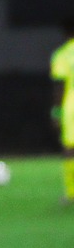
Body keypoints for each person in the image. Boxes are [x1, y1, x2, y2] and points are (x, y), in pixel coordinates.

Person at [52, 18, 74, 205]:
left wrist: (56, 112)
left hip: (71, 105)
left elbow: (59, 86)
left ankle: (71, 192)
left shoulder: (63, 55)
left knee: (70, 148)